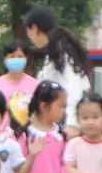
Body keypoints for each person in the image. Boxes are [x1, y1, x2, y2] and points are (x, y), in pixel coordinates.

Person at [24, 7, 91, 137]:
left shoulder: (61, 53)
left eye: (28, 32)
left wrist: (72, 124)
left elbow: (74, 87)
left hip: (72, 125)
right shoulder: (56, 51)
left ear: (34, 29)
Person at [0, 40, 39, 132]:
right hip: (2, 136)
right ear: (5, 60)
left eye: (20, 56)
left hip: (30, 136)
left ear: (26, 59)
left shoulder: (36, 85)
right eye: (12, 57)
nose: (16, 60)